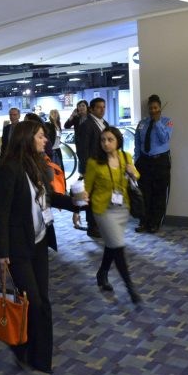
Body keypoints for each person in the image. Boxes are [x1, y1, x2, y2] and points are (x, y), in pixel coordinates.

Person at [0, 120, 82, 374]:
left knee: (42, 301)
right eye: (41, 136)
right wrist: (2, 252)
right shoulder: (9, 170)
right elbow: (1, 213)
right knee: (32, 301)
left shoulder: (39, 166)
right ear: (27, 137)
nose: (46, 140)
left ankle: (40, 359)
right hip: (18, 248)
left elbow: (49, 198)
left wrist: (76, 203)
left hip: (40, 241)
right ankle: (22, 347)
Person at [84, 127, 142, 304]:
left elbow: (136, 176)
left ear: (118, 141)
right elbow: (87, 187)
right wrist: (79, 204)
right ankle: (130, 286)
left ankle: (102, 273)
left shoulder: (125, 157)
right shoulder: (94, 162)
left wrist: (134, 173)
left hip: (122, 207)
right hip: (103, 209)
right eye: (103, 140)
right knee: (117, 246)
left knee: (112, 244)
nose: (106, 143)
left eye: (110, 139)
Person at [134, 94, 174, 233]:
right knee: (145, 193)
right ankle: (144, 221)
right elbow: (137, 143)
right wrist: (137, 160)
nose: (153, 110)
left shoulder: (167, 122)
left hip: (161, 161)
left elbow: (164, 139)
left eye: (155, 107)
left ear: (160, 108)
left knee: (159, 193)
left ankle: (155, 223)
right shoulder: (142, 123)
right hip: (144, 161)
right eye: (151, 108)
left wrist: (157, 122)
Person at [76, 97, 109, 238]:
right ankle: (92, 226)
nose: (102, 110)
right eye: (99, 107)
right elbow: (82, 150)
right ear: (92, 109)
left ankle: (100, 224)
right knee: (91, 198)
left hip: (104, 167)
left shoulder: (104, 123)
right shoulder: (87, 125)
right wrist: (85, 170)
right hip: (92, 168)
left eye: (103, 107)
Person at [64, 100, 88, 230]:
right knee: (82, 182)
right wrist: (72, 115)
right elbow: (66, 125)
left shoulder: (91, 119)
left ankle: (77, 213)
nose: (81, 108)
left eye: (83, 106)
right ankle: (77, 213)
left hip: (88, 154)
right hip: (81, 152)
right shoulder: (77, 118)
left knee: (83, 183)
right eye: (79, 106)